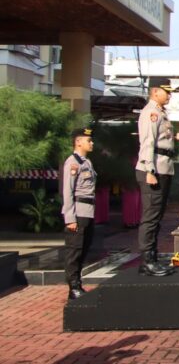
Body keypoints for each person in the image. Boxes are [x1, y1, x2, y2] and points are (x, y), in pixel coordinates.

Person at [136, 85, 179, 277]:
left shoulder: (161, 113)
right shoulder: (150, 112)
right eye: (167, 92)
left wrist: (176, 137)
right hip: (154, 168)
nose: (170, 95)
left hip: (163, 167)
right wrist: (149, 169)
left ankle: (153, 258)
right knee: (150, 217)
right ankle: (147, 261)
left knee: (157, 216)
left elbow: (161, 138)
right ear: (155, 91)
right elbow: (148, 142)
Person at [63, 128, 96, 300]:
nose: (92, 143)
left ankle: (78, 283)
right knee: (74, 251)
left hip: (88, 212)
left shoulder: (87, 162)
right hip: (78, 213)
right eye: (88, 140)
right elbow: (67, 192)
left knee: (83, 249)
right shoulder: (73, 162)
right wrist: (70, 218)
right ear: (78, 142)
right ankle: (73, 286)